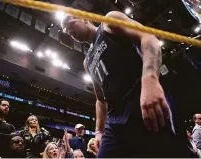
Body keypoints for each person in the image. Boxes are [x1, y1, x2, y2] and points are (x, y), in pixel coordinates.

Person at [61, 11, 193, 157]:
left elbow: (148, 37)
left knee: (175, 152)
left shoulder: (109, 22)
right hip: (115, 121)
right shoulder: (87, 62)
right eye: (66, 30)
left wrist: (150, 80)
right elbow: (100, 99)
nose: (68, 31)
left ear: (84, 18)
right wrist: (99, 131)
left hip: (142, 102)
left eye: (69, 23)